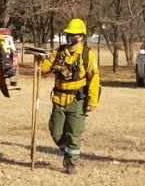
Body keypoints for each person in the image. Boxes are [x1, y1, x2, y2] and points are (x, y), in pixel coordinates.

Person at [36, 18, 100, 175]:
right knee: (55, 131)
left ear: (81, 37)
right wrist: (39, 60)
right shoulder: (58, 52)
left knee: (74, 133)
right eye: (68, 34)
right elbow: (44, 69)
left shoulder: (87, 55)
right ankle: (68, 152)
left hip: (77, 100)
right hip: (59, 98)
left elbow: (94, 79)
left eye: (73, 34)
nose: (69, 37)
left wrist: (93, 101)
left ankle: (71, 163)